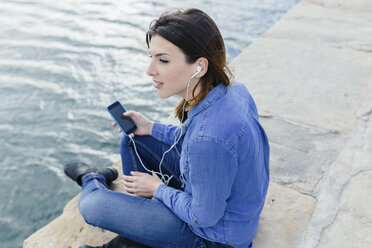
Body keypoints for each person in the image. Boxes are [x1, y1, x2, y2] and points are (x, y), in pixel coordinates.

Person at [64, 8, 270, 248]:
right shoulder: (232, 90)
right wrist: (150, 127)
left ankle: (92, 178)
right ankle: (139, 229)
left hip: (214, 237)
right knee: (133, 138)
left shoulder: (209, 138)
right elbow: (194, 144)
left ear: (199, 67)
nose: (150, 70)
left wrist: (157, 189)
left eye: (163, 60)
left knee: (92, 206)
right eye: (151, 57)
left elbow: (202, 216)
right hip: (211, 200)